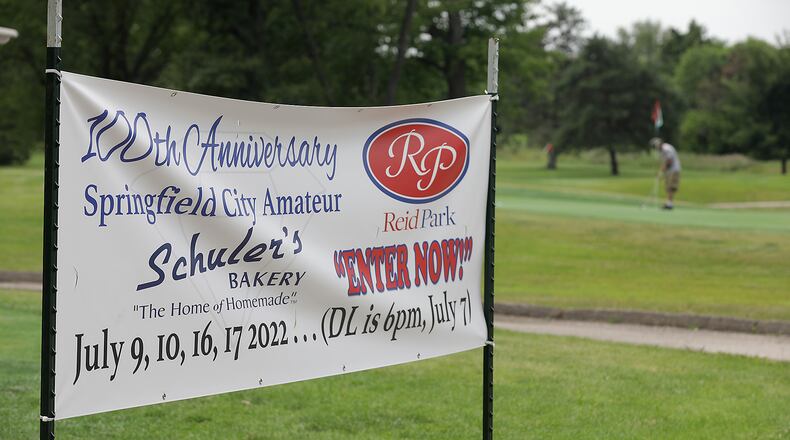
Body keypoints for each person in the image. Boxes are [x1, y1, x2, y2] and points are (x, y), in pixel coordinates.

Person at [650, 137, 681, 210]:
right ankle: (668, 203)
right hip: (669, 170)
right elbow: (664, 162)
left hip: (674, 169)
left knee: (671, 186)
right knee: (667, 186)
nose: (655, 148)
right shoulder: (661, 151)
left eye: (656, 146)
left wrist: (661, 172)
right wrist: (661, 171)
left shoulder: (667, 149)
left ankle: (669, 204)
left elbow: (669, 162)